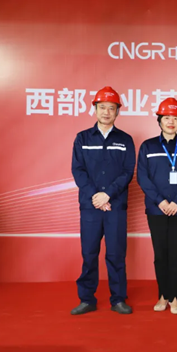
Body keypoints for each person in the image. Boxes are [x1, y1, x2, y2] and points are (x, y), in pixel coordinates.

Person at [70, 86, 136, 315]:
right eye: (102, 107)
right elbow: (78, 170)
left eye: (111, 108)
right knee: (89, 254)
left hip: (115, 206)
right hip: (91, 207)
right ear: (95, 109)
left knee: (116, 254)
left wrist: (108, 194)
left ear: (118, 111)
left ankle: (118, 299)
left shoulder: (125, 140)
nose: (106, 112)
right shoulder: (82, 138)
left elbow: (127, 171)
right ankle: (87, 299)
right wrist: (96, 196)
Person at [137, 98, 177, 315]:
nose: (171, 122)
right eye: (166, 118)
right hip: (157, 209)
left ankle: (175, 297)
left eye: (175, 118)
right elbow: (143, 177)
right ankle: (163, 295)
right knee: (161, 254)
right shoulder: (148, 146)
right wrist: (161, 201)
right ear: (159, 120)